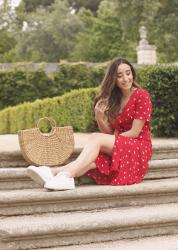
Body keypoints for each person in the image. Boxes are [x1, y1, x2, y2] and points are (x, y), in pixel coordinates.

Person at [27, 57, 152, 191]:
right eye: (119, 76)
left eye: (128, 73)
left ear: (133, 73)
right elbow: (109, 135)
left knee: (95, 138)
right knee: (92, 161)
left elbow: (134, 132)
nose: (126, 78)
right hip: (122, 144)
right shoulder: (114, 100)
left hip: (138, 146)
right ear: (113, 79)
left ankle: (66, 175)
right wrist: (99, 118)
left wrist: (113, 139)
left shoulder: (142, 96)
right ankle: (53, 173)